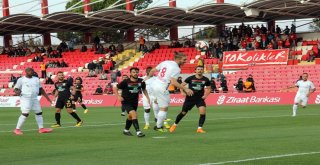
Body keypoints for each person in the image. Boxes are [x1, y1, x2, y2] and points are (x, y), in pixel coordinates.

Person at [145, 52, 193, 132]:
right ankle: (158, 126)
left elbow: (153, 70)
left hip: (154, 85)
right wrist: (186, 89)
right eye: (184, 60)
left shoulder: (165, 62)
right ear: (178, 59)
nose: (185, 61)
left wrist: (148, 77)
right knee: (164, 108)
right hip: (161, 88)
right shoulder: (177, 69)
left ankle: (156, 107)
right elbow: (174, 82)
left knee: (161, 102)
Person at [169, 66, 211, 133]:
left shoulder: (206, 79)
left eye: (201, 69)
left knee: (203, 112)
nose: (199, 70)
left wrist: (205, 95)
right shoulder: (190, 78)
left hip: (199, 99)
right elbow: (181, 85)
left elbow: (209, 88)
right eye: (198, 69)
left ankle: (199, 128)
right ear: (195, 70)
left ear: (203, 71)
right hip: (190, 98)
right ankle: (174, 125)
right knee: (183, 112)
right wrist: (182, 92)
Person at [13, 68, 53, 135]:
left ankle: (41, 128)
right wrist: (17, 92)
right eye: (29, 71)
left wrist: (47, 98)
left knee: (39, 112)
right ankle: (17, 129)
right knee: (25, 113)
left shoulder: (36, 79)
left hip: (34, 98)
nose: (31, 72)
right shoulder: (21, 79)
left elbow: (41, 89)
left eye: (32, 71)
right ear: (26, 72)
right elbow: (16, 89)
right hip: (25, 98)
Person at [114, 67, 148, 137]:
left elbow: (144, 89)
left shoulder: (141, 81)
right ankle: (138, 132)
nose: (135, 73)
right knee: (134, 114)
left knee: (130, 116)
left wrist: (148, 98)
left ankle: (126, 130)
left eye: (136, 72)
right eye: (133, 72)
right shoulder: (125, 82)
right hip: (126, 101)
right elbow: (115, 88)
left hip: (135, 102)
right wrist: (118, 96)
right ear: (130, 73)